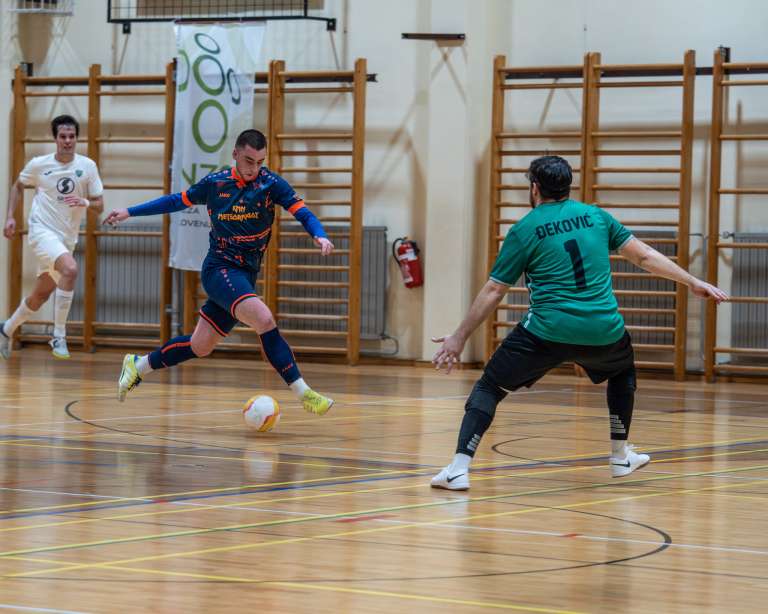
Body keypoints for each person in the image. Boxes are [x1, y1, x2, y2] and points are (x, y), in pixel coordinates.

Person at [430, 155, 729, 490]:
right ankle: (619, 455)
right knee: (621, 371)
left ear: (534, 188)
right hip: (603, 331)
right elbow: (644, 256)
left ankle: (458, 468)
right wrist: (693, 282)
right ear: (567, 185)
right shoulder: (596, 216)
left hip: (547, 331)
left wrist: (459, 337)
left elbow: (495, 289)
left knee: (489, 387)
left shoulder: (525, 229)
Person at [104, 129, 335, 415]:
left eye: (260, 162)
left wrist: (319, 234)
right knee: (264, 319)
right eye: (249, 160)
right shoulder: (216, 184)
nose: (254, 168)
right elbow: (175, 201)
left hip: (245, 276)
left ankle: (138, 365)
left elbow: (303, 213)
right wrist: (129, 211)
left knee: (200, 346)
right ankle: (304, 393)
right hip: (220, 270)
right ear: (235, 154)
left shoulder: (270, 183)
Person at [1, 114, 104, 360]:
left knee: (40, 296)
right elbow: (18, 185)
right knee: (70, 269)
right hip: (42, 232)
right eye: (63, 137)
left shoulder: (87, 166)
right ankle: (58, 335)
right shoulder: (40, 164)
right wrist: (10, 217)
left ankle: (6, 329)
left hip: (66, 239)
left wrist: (85, 201)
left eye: (71, 137)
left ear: (76, 138)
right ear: (55, 139)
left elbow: (100, 205)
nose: (67, 141)